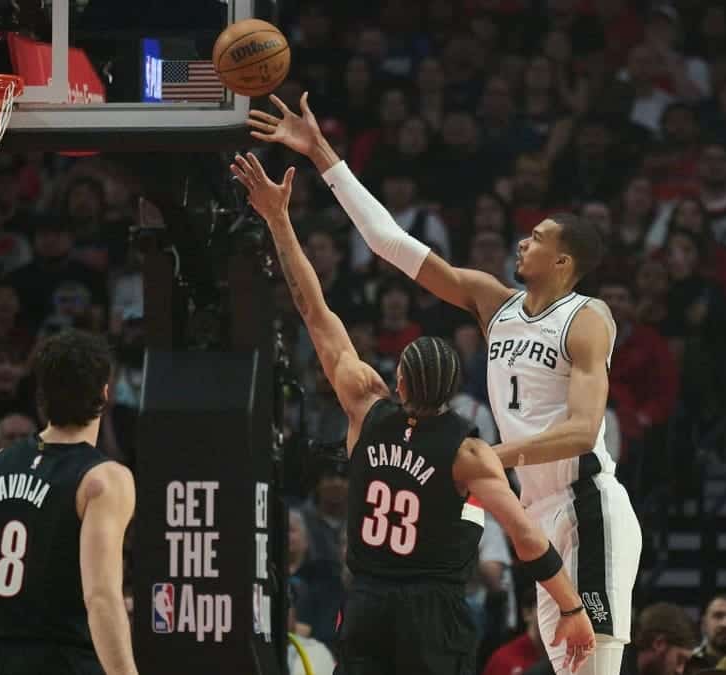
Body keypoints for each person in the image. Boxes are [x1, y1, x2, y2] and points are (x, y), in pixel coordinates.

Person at [251, 93, 641, 675]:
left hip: (585, 502)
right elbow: (389, 243)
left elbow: (584, 432)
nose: (522, 242)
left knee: (595, 666)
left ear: (564, 262)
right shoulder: (492, 301)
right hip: (530, 505)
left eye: (536, 238)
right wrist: (320, 153)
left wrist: (485, 456)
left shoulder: (588, 316)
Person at [0, 330, 138, 675]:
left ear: (41, 396)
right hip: (60, 660)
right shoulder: (103, 479)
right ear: (104, 393)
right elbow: (101, 598)